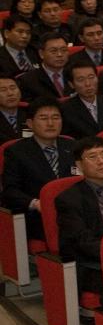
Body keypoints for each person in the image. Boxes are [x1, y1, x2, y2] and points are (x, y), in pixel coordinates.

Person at [55, 137, 103, 295]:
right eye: (93, 157)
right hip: (95, 263)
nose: (102, 161)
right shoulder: (68, 199)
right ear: (79, 165)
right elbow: (82, 241)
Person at [2, 98, 74, 238]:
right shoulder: (16, 152)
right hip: (39, 217)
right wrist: (36, 204)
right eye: (43, 118)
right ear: (30, 123)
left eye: (55, 117)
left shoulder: (72, 146)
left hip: (74, 212)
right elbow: (10, 191)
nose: (50, 123)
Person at [60, 62, 103, 139]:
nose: (88, 84)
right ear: (71, 84)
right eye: (81, 79)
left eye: (91, 77)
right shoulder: (65, 111)